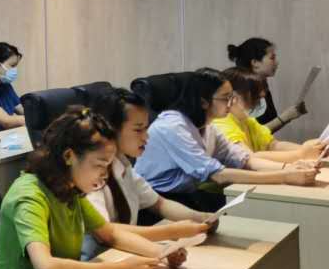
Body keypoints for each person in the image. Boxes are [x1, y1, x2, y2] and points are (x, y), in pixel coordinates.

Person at [0, 110, 189, 269]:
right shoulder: (29, 196)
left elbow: (110, 234)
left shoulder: (68, 187)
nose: (105, 175)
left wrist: (161, 253)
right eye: (99, 165)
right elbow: (46, 267)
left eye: (108, 166)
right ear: (69, 156)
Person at [136, 69, 321, 210]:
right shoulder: (173, 127)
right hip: (155, 201)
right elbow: (218, 175)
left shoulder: (209, 127)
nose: (231, 102)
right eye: (226, 98)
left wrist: (289, 168)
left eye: (232, 96)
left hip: (186, 194)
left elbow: (245, 159)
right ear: (203, 102)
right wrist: (284, 176)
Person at [81, 88, 218, 259]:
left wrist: (200, 218)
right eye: (138, 130)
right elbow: (106, 231)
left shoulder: (124, 166)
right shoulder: (93, 176)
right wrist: (169, 233)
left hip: (123, 254)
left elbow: (159, 203)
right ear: (111, 129)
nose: (146, 137)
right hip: (98, 261)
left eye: (146, 128)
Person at [215, 68, 325, 165]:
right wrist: (301, 154)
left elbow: (273, 145)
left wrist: (313, 150)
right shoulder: (221, 124)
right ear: (233, 96)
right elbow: (248, 158)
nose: (258, 103)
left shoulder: (246, 120)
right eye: (255, 98)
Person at [228, 37, 306, 132]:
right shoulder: (238, 92)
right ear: (255, 63)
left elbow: (266, 132)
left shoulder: (263, 88)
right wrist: (286, 116)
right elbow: (250, 134)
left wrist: (290, 115)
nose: (277, 63)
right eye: (272, 58)